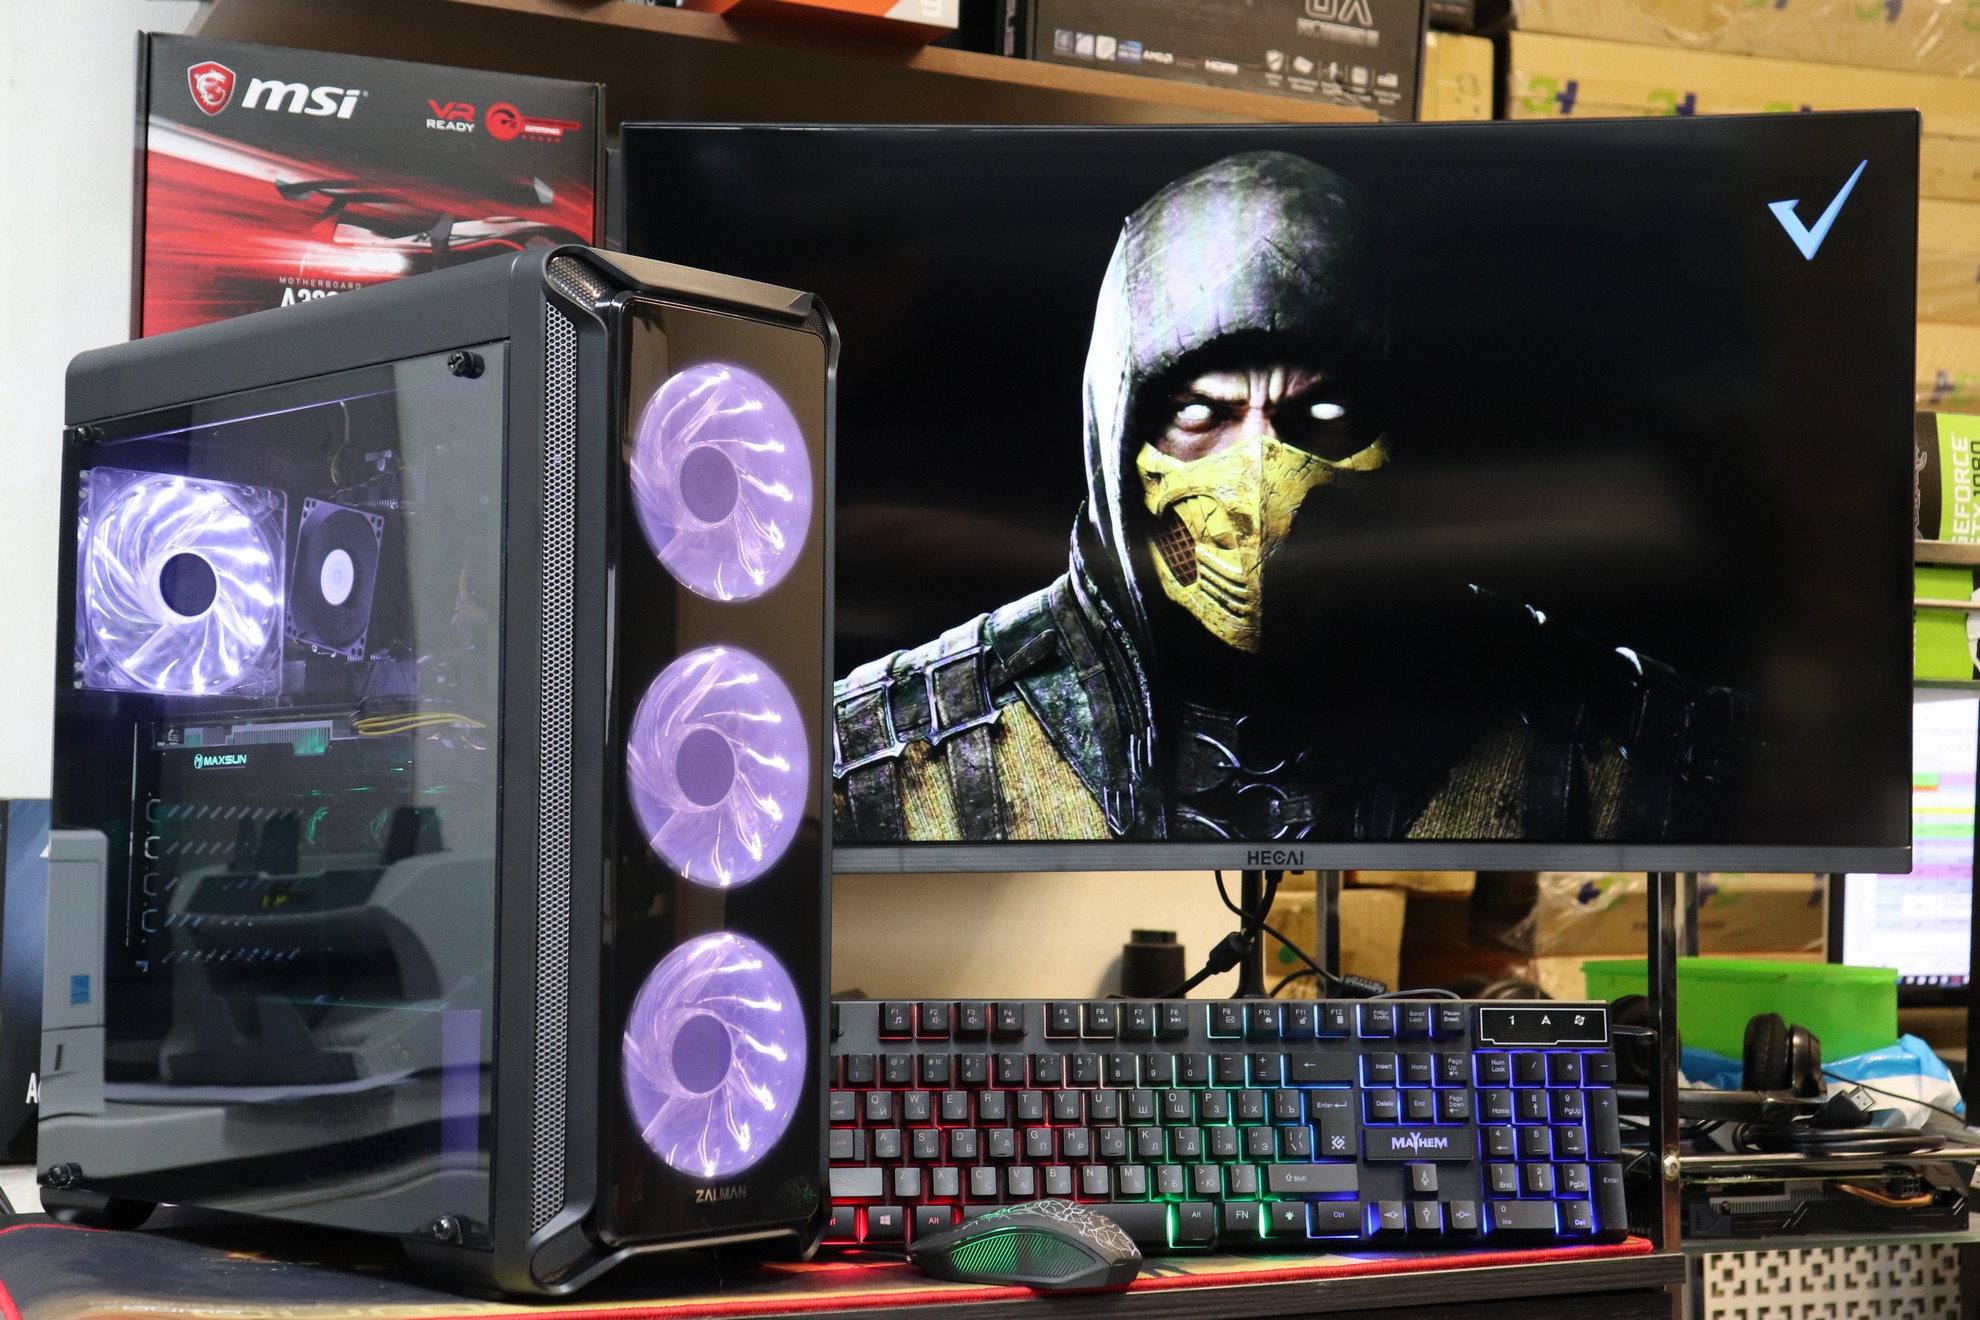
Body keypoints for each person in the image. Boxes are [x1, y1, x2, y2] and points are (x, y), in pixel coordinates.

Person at [832, 150, 1752, 843]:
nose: (1261, 475)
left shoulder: (1638, 750)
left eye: (1325, 413)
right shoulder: (884, 756)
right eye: (1201, 413)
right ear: (1119, 436)